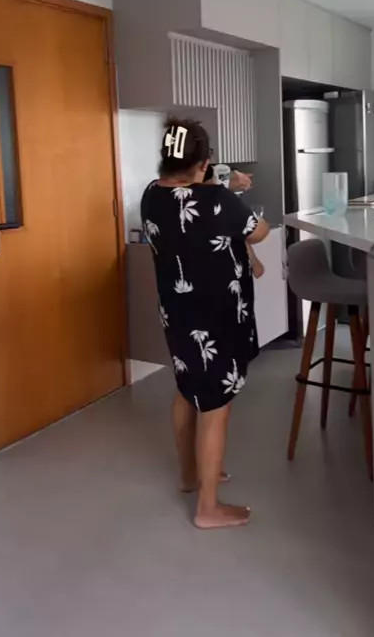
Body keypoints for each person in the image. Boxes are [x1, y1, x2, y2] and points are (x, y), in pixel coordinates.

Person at [141, 118, 270, 529]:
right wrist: (227, 187)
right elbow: (260, 232)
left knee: (186, 390)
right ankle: (208, 508)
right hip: (217, 316)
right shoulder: (218, 201)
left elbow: (190, 201)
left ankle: (189, 476)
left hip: (178, 312)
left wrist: (217, 179)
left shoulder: (151, 195)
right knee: (215, 406)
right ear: (202, 163)